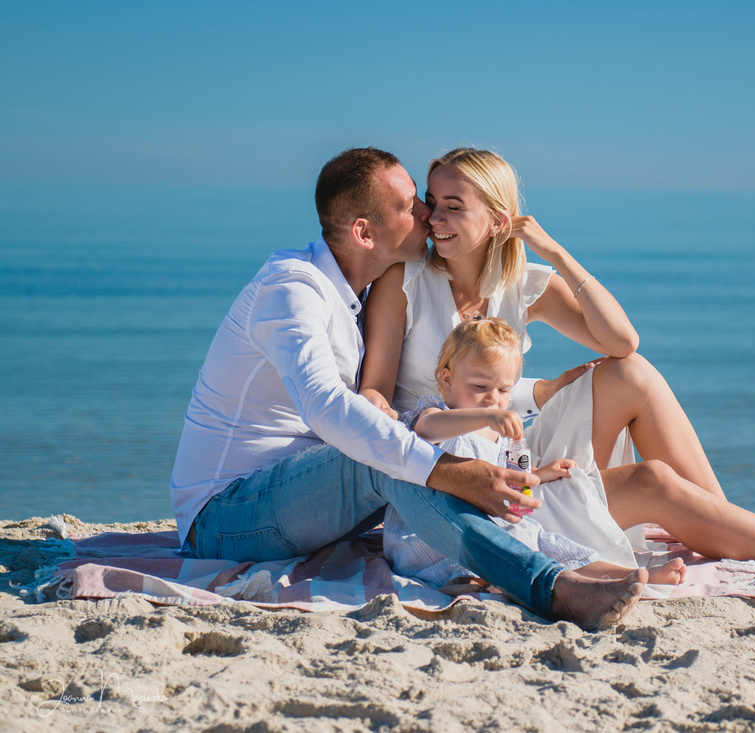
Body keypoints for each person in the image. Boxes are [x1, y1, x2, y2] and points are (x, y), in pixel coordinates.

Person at [359, 147, 755, 576]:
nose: (432, 219)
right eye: (433, 203)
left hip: (517, 450)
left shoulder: (524, 282)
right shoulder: (402, 284)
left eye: (453, 207)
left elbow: (621, 342)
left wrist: (557, 253)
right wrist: (407, 448)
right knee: (654, 480)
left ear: (499, 220)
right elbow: (377, 392)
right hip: (446, 464)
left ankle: (724, 519)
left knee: (630, 374)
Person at [169, 147, 647, 631]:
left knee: (401, 447)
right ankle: (550, 587)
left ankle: (536, 567)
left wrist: (521, 402)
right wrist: (445, 471)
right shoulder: (293, 291)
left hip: (306, 503)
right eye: (411, 204)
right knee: (391, 453)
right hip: (225, 519)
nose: (427, 213)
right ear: (364, 232)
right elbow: (326, 407)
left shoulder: (354, 298)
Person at [383, 317, 688, 591]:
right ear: (447, 380)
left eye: (504, 390)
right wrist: (484, 417)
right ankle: (468, 584)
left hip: (490, 523)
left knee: (544, 541)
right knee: (483, 548)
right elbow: (425, 430)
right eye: (480, 386)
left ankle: (622, 575)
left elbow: (516, 482)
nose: (493, 399)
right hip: (431, 531)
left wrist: (542, 474)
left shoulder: (500, 434)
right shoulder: (438, 414)